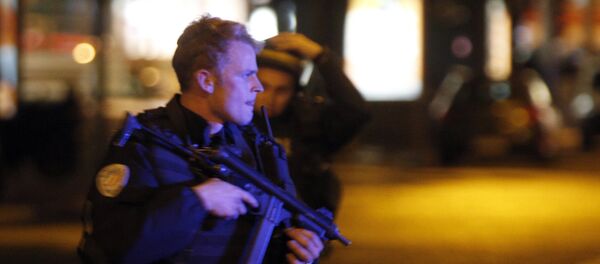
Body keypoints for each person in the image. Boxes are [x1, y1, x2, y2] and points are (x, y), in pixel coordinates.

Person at [78, 16, 323, 264]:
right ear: (206, 80)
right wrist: (198, 200)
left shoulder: (259, 149)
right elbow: (112, 246)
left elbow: (283, 226)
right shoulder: (142, 146)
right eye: (246, 75)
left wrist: (298, 248)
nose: (257, 87)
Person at [254, 33, 370, 216]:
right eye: (263, 86)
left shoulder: (309, 123)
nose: (270, 98)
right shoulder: (233, 121)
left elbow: (356, 111)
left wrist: (322, 57)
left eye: (281, 90)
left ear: (295, 92)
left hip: (304, 231)